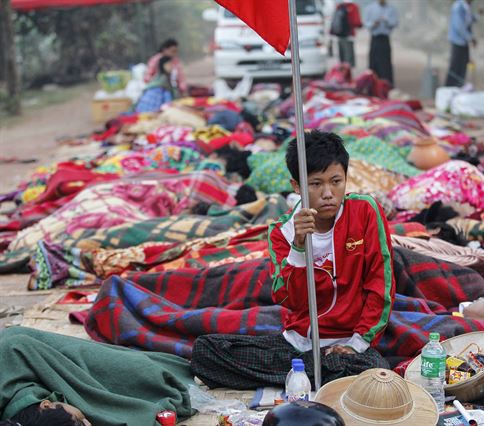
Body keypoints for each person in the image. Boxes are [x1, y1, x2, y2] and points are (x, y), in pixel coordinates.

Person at [190, 130, 395, 389]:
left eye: (336, 181)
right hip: (298, 346)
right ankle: (313, 375)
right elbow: (289, 300)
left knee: (374, 370)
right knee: (206, 351)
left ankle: (301, 379)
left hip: (351, 348)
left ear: (346, 178)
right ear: (296, 186)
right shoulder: (281, 231)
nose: (328, 193)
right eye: (316, 184)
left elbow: (381, 283)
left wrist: (357, 344)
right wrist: (298, 246)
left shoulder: (365, 211)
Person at [0, 327, 195, 426]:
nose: (89, 421)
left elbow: (16, 345)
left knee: (145, 371)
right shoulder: (36, 415)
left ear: (46, 404)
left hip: (21, 345)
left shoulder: (12, 356)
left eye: (81, 418)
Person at [363, 0, 398, 86]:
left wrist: (387, 21)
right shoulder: (370, 8)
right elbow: (366, 23)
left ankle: (386, 84)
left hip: (385, 39)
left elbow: (395, 23)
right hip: (375, 38)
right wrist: (373, 24)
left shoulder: (391, 9)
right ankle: (373, 83)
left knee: (386, 62)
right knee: (373, 61)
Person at [446, 0, 477, 87]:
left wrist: (477, 16)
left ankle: (459, 85)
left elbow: (468, 20)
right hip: (457, 41)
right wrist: (470, 38)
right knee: (456, 65)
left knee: (463, 65)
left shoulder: (466, 6)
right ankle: (450, 86)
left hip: (464, 42)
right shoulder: (458, 7)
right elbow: (459, 26)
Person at [330, 0, 363, 68]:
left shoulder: (339, 6)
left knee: (342, 57)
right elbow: (357, 22)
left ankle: (342, 74)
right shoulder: (353, 6)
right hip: (349, 35)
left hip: (339, 34)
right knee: (349, 58)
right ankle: (347, 75)